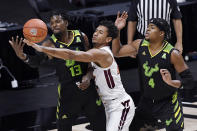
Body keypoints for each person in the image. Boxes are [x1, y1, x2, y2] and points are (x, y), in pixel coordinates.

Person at [23, 18, 135, 131]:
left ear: (108, 39)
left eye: (100, 32)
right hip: (107, 105)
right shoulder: (95, 52)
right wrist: (117, 29)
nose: (95, 33)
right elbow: (91, 67)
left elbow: (71, 54)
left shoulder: (100, 53)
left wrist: (42, 48)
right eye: (96, 31)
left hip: (119, 106)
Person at [9, 10, 106, 131]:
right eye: (51, 22)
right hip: (68, 94)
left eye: (58, 21)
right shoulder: (50, 44)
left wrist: (88, 75)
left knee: (102, 126)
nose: (54, 24)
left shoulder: (81, 36)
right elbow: (36, 62)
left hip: (89, 90)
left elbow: (92, 61)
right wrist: (23, 56)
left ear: (66, 22)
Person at [112, 14, 194, 130]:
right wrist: (117, 30)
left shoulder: (172, 53)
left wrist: (171, 82)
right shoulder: (139, 44)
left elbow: (189, 82)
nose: (148, 29)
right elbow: (117, 52)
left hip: (168, 102)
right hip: (147, 101)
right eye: (148, 26)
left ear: (161, 33)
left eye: (152, 27)